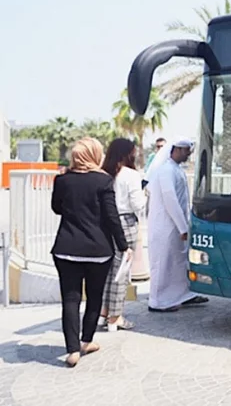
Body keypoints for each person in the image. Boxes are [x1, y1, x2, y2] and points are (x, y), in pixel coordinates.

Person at [50, 137, 132, 367]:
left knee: (70, 299)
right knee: (94, 297)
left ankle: (72, 351)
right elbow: (111, 216)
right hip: (98, 251)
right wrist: (124, 245)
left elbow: (57, 208)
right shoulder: (103, 181)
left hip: (65, 249)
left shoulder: (62, 179)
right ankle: (86, 341)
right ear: (95, 155)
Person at [146, 136, 209, 312]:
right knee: (163, 263)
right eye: (186, 151)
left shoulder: (175, 169)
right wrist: (183, 227)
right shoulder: (166, 170)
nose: (188, 155)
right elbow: (170, 200)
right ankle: (158, 302)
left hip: (175, 226)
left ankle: (182, 295)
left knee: (178, 262)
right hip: (166, 227)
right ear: (177, 149)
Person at [98, 138, 147, 332]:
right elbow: (138, 205)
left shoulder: (103, 173)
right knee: (121, 272)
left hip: (105, 224)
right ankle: (115, 317)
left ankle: (103, 313)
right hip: (126, 222)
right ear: (128, 154)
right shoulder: (131, 175)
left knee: (107, 271)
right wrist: (145, 194)